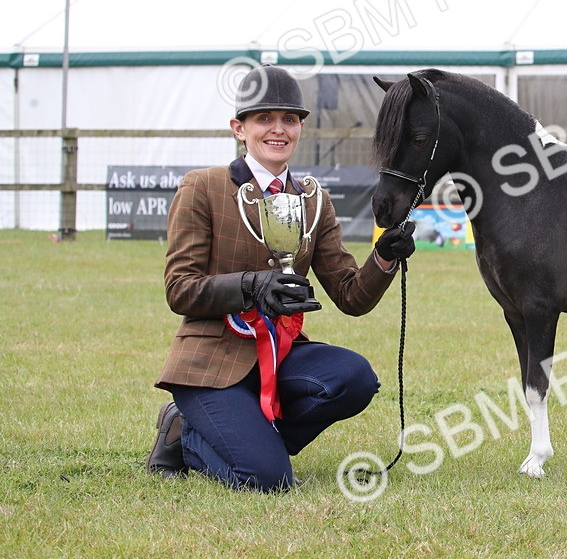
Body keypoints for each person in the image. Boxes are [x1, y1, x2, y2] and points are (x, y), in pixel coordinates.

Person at [145, 65, 416, 491]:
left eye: (289, 120)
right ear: (240, 128)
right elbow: (180, 289)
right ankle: (187, 436)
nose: (278, 130)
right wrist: (252, 285)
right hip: (212, 362)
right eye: (264, 119)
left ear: (301, 128)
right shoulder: (203, 187)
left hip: (282, 354)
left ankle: (252, 439)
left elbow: (350, 296)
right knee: (267, 480)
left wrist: (382, 258)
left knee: (354, 377)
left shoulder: (313, 199)